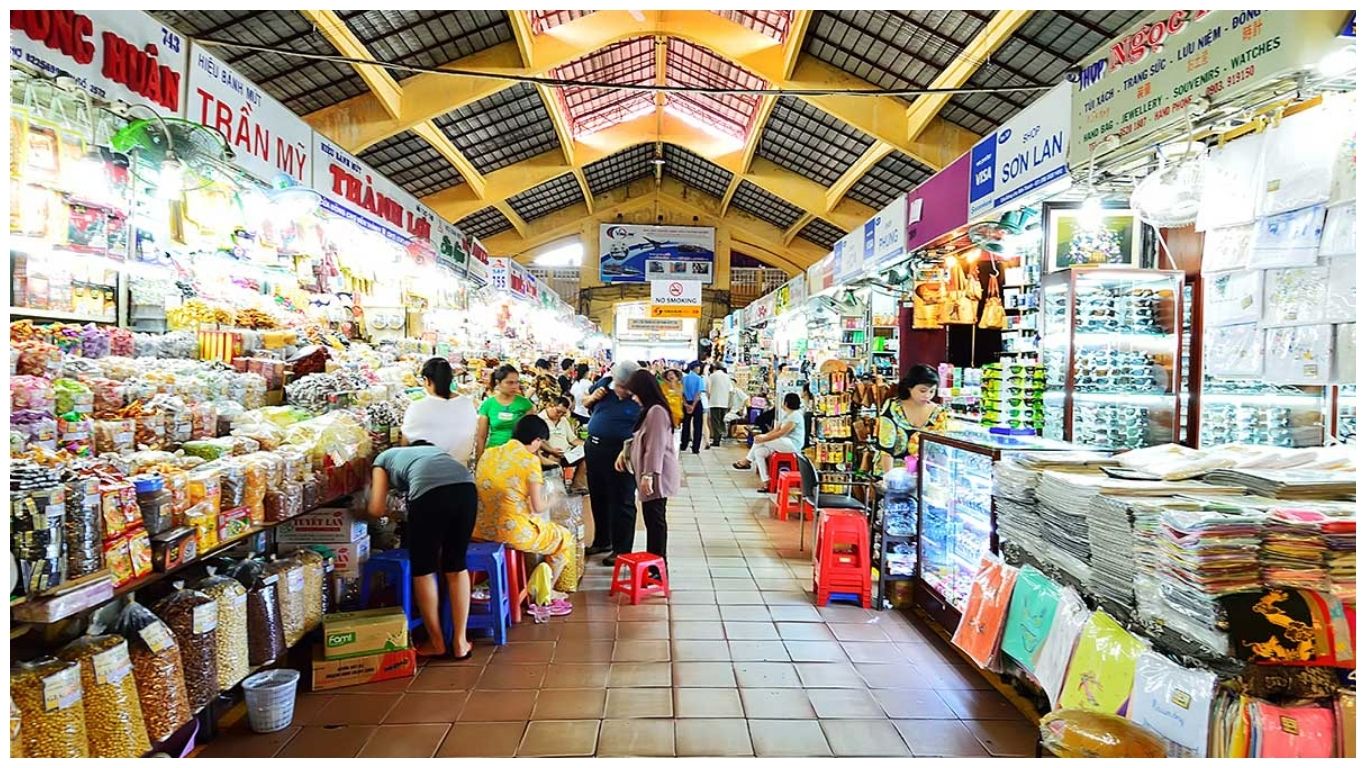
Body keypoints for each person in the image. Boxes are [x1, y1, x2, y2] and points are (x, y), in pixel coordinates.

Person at [367, 442, 477, 659]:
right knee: (456, 565)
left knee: (424, 568)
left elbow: (376, 509)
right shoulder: (439, 453)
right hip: (466, 489)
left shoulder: (383, 458)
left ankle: (436, 642)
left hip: (429, 495)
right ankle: (460, 642)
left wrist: (359, 512)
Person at [474, 415, 578, 591]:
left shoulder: (489, 453)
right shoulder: (530, 461)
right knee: (563, 537)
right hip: (512, 533)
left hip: (479, 529)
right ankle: (545, 592)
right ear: (536, 440)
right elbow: (538, 507)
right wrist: (554, 498)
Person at [581, 360, 640, 565]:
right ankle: (602, 539)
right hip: (595, 448)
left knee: (622, 499)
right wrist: (591, 398)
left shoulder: (640, 397)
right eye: (619, 385)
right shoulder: (604, 384)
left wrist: (629, 449)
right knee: (598, 495)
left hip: (621, 452)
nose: (620, 391)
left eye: (624, 387)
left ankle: (621, 549)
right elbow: (585, 404)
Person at [619, 369, 679, 561]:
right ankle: (655, 564)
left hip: (656, 477)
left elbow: (656, 446)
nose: (635, 398)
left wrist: (649, 474)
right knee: (652, 521)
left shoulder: (657, 412)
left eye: (636, 393)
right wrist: (625, 453)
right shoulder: (649, 411)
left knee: (655, 522)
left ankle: (657, 567)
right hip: (650, 475)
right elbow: (639, 439)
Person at [877, 364, 950, 473]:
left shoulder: (938, 412)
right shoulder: (893, 407)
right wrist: (890, 480)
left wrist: (943, 479)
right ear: (910, 387)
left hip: (926, 475)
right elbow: (886, 448)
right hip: (895, 472)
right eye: (923, 390)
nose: (927, 396)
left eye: (932, 391)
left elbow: (940, 450)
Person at [402, 357, 477, 463]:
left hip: (425, 470)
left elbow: (405, 443)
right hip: (460, 470)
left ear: (427, 381)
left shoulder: (417, 407)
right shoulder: (467, 403)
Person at [733, 392, 806, 492]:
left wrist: (764, 438)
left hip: (792, 445)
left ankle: (747, 460)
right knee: (759, 452)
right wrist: (765, 437)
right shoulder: (786, 415)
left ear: (786, 403)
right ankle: (766, 481)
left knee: (758, 440)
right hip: (782, 443)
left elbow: (781, 433)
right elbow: (775, 431)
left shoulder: (795, 416)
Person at [475, 365, 535, 463]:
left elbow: (532, 435)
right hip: (493, 455)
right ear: (498, 383)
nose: (515, 386)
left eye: (517, 382)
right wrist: (479, 461)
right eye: (510, 382)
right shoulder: (488, 404)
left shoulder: (525, 404)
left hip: (518, 456)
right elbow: (481, 437)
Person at [679, 361, 706, 454]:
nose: (699, 369)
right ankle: (695, 447)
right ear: (695, 368)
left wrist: (686, 404)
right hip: (697, 404)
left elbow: (681, 393)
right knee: (697, 426)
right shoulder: (699, 379)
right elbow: (698, 393)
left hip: (686, 403)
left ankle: (683, 444)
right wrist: (693, 405)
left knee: (686, 425)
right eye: (698, 367)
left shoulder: (684, 379)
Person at [706, 364, 733, 448]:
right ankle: (720, 437)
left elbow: (708, 389)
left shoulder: (712, 376)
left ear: (714, 368)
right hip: (724, 402)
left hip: (714, 402)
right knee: (721, 421)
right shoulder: (727, 377)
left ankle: (716, 440)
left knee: (715, 422)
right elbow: (731, 390)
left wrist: (708, 397)